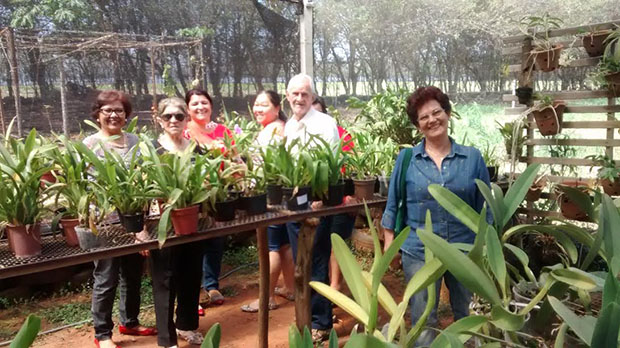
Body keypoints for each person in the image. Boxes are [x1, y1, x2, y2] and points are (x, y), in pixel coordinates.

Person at [381, 86, 491, 346]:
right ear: (418, 126)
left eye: (436, 112)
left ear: (448, 113)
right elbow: (393, 204)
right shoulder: (407, 159)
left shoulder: (472, 158)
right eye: (423, 117)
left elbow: (485, 209)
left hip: (464, 249)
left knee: (468, 312)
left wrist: (485, 248)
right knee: (423, 317)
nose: (432, 120)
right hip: (419, 250)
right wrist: (389, 243)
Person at [83, 90, 157, 348]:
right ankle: (102, 334)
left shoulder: (135, 140)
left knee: (133, 274)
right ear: (98, 114)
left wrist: (143, 226)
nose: (114, 115)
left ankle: (130, 322)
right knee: (106, 277)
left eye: (119, 111)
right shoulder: (89, 145)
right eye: (108, 110)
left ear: (127, 115)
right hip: (104, 221)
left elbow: (145, 178)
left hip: (133, 219)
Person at [283, 74, 340, 343]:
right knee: (300, 263)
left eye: (304, 94)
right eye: (294, 94)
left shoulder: (326, 124)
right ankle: (304, 320)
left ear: (312, 97)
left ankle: (321, 323)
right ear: (287, 96)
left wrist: (320, 199)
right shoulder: (288, 126)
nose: (299, 98)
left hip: (316, 206)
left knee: (317, 263)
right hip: (294, 206)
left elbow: (330, 166)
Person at [149, 97, 205, 347]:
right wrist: (142, 230)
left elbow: (206, 181)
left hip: (193, 221)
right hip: (162, 225)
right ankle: (166, 337)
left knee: (191, 275)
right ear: (159, 120)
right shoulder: (151, 149)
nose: (173, 120)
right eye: (168, 116)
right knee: (165, 280)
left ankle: (187, 324)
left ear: (186, 119)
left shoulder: (194, 148)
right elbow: (144, 189)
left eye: (179, 116)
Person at [240, 90, 295, 313]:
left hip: (271, 198)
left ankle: (267, 298)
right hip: (281, 196)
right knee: (283, 244)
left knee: (271, 247)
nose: (258, 109)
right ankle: (291, 288)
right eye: (256, 104)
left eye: (264, 105)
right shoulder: (278, 127)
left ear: (277, 107)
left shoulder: (274, 131)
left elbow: (263, 168)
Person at [184, 88, 230, 310]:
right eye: (195, 104)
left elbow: (236, 158)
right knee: (192, 244)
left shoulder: (222, 131)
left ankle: (211, 285)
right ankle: (190, 296)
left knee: (215, 240)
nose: (200, 107)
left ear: (211, 106)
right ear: (187, 108)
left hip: (219, 194)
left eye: (204, 102)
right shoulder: (184, 133)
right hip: (192, 197)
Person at [311, 97, 355, 292]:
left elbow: (350, 167)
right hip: (316, 203)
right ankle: (321, 287)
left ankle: (335, 285)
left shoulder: (341, 135)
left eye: (318, 113)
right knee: (319, 245)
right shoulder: (303, 136)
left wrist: (347, 196)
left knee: (336, 241)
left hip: (340, 200)